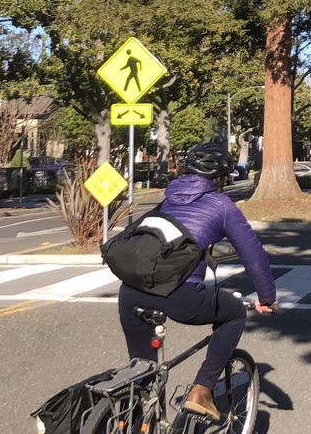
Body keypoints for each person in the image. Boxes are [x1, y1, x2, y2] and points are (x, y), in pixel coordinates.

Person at [117, 142, 276, 422]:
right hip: (179, 294)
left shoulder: (167, 200)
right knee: (234, 313)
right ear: (221, 178)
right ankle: (202, 390)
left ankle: (133, 420)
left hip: (130, 292)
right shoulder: (221, 204)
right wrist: (266, 296)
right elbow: (253, 253)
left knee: (142, 370)